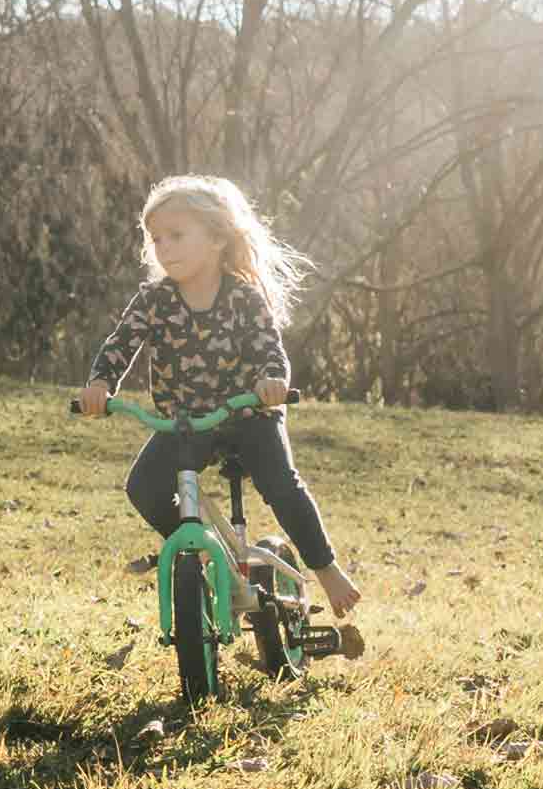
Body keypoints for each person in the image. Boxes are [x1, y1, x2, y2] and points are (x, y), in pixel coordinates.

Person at [68, 174, 363, 620]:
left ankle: (326, 569)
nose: (165, 247)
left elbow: (270, 350)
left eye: (177, 235)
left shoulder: (243, 299)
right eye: (157, 239)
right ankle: (204, 551)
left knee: (282, 485)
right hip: (186, 421)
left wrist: (270, 382)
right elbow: (120, 343)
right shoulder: (154, 300)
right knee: (144, 487)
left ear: (217, 238)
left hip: (249, 415)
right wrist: (100, 385)